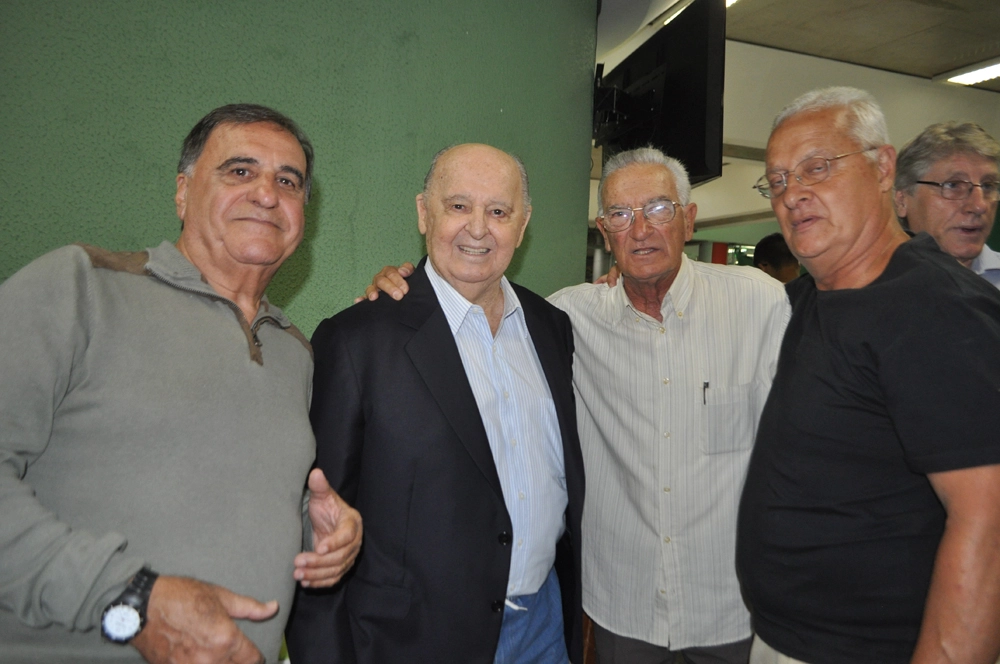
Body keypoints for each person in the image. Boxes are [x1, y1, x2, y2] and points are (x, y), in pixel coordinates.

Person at [361, 146, 790, 664]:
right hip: (624, 613)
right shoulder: (567, 319)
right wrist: (402, 287)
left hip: (730, 607)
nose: (640, 230)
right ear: (603, 230)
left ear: (688, 218)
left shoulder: (760, 302)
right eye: (620, 214)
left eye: (658, 209)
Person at [0, 104, 362, 664]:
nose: (267, 193)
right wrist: (129, 599)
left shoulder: (296, 352)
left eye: (287, 181)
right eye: (240, 171)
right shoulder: (81, 288)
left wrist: (320, 537)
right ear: (182, 191)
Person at [284, 144, 585, 664]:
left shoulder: (551, 326)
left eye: (498, 211)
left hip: (544, 627)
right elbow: (320, 528)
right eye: (459, 206)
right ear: (424, 213)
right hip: (414, 642)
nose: (478, 228)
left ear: (523, 223)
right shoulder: (359, 340)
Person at [737, 87, 1000, 664]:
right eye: (778, 181)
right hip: (786, 639)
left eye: (817, 168)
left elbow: (988, 520)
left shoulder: (934, 309)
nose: (794, 193)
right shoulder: (815, 295)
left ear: (883, 168)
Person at [893, 121, 1000, 287]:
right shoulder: (866, 287)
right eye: (953, 185)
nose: (980, 206)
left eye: (988, 186)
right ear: (902, 200)